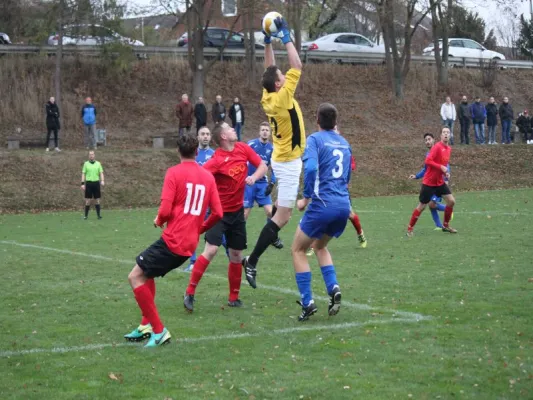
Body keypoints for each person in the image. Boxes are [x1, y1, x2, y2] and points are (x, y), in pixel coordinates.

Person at [124, 133, 223, 347]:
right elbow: (218, 213)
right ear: (197, 152)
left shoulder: (173, 173)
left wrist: (159, 220)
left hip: (173, 241)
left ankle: (159, 331)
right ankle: (145, 325)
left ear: (178, 151)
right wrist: (199, 228)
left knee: (134, 276)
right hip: (188, 244)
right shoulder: (207, 176)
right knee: (145, 271)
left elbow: (165, 210)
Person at [243, 15, 306, 289]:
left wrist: (267, 42)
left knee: (284, 213)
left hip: (282, 158)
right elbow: (297, 65)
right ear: (281, 85)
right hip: (289, 162)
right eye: (282, 77)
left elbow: (270, 70)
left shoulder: (268, 95)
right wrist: (286, 37)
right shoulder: (282, 96)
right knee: (283, 217)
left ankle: (253, 260)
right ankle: (252, 261)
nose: (282, 74)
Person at [183, 123, 267, 312]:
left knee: (236, 255)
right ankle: (189, 292)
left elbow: (262, 165)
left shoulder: (243, 149)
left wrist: (254, 178)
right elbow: (199, 177)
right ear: (223, 136)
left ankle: (233, 298)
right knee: (211, 250)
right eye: (229, 129)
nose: (233, 130)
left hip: (237, 213)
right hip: (219, 213)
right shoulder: (216, 160)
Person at [291, 103, 351, 321]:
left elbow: (310, 168)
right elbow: (346, 178)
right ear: (335, 122)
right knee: (319, 246)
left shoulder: (315, 140)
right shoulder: (345, 143)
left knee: (298, 249)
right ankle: (333, 287)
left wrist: (306, 197)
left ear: (317, 120)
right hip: (343, 205)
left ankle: (307, 302)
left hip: (322, 204)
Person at [184, 126, 229, 272]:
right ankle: (192, 262)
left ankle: (233, 257)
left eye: (208, 134)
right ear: (198, 137)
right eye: (202, 134)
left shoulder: (215, 154)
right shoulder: (192, 155)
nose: (205, 136)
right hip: (196, 199)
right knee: (193, 230)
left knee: (216, 230)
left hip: (211, 200)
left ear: (210, 137)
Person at [406, 127, 457, 237]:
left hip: (439, 182)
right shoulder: (437, 147)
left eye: (448, 132)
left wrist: (446, 173)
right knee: (422, 206)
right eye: (444, 132)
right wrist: (441, 168)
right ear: (440, 136)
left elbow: (444, 164)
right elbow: (428, 161)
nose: (446, 134)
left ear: (450, 135)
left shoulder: (448, 149)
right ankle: (410, 229)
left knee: (451, 201)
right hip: (429, 183)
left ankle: (446, 225)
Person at [243, 122, 284, 249]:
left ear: (270, 133)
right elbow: (242, 162)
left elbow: (275, 168)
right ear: (259, 132)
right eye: (263, 130)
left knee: (271, 212)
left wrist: (271, 183)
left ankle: (272, 236)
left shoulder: (272, 149)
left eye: (267, 130)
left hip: (262, 183)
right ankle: (240, 239)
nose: (265, 132)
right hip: (249, 183)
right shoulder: (251, 145)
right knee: (244, 214)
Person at [81, 151, 105, 220]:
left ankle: (98, 215)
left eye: (92, 154)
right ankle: (85, 216)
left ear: (94, 155)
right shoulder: (86, 164)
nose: (91, 156)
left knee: (97, 200)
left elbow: (101, 173)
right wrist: (82, 183)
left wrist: (102, 180)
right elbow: (83, 174)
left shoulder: (98, 164)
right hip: (88, 183)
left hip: (96, 183)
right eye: (90, 154)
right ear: (88, 156)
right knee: (88, 200)